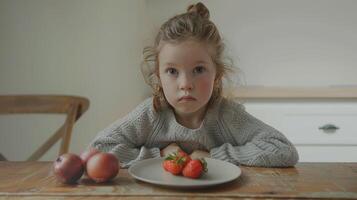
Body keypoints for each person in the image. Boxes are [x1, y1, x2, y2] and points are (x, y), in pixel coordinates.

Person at [86, 2, 299, 168]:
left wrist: (213, 156)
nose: (186, 84)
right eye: (172, 71)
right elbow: (99, 148)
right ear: (158, 77)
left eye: (198, 70)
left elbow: (283, 149)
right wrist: (158, 155)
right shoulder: (150, 114)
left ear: (217, 74)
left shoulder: (226, 115)